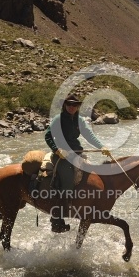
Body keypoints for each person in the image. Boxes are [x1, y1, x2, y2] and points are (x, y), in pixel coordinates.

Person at [44, 94, 111, 232]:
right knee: (68, 182)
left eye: (75, 105)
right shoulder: (59, 119)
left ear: (78, 106)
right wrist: (57, 150)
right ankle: (57, 219)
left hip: (77, 154)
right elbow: (48, 135)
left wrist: (101, 146)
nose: (72, 107)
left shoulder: (79, 120)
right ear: (65, 105)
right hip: (62, 156)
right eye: (69, 104)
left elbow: (89, 135)